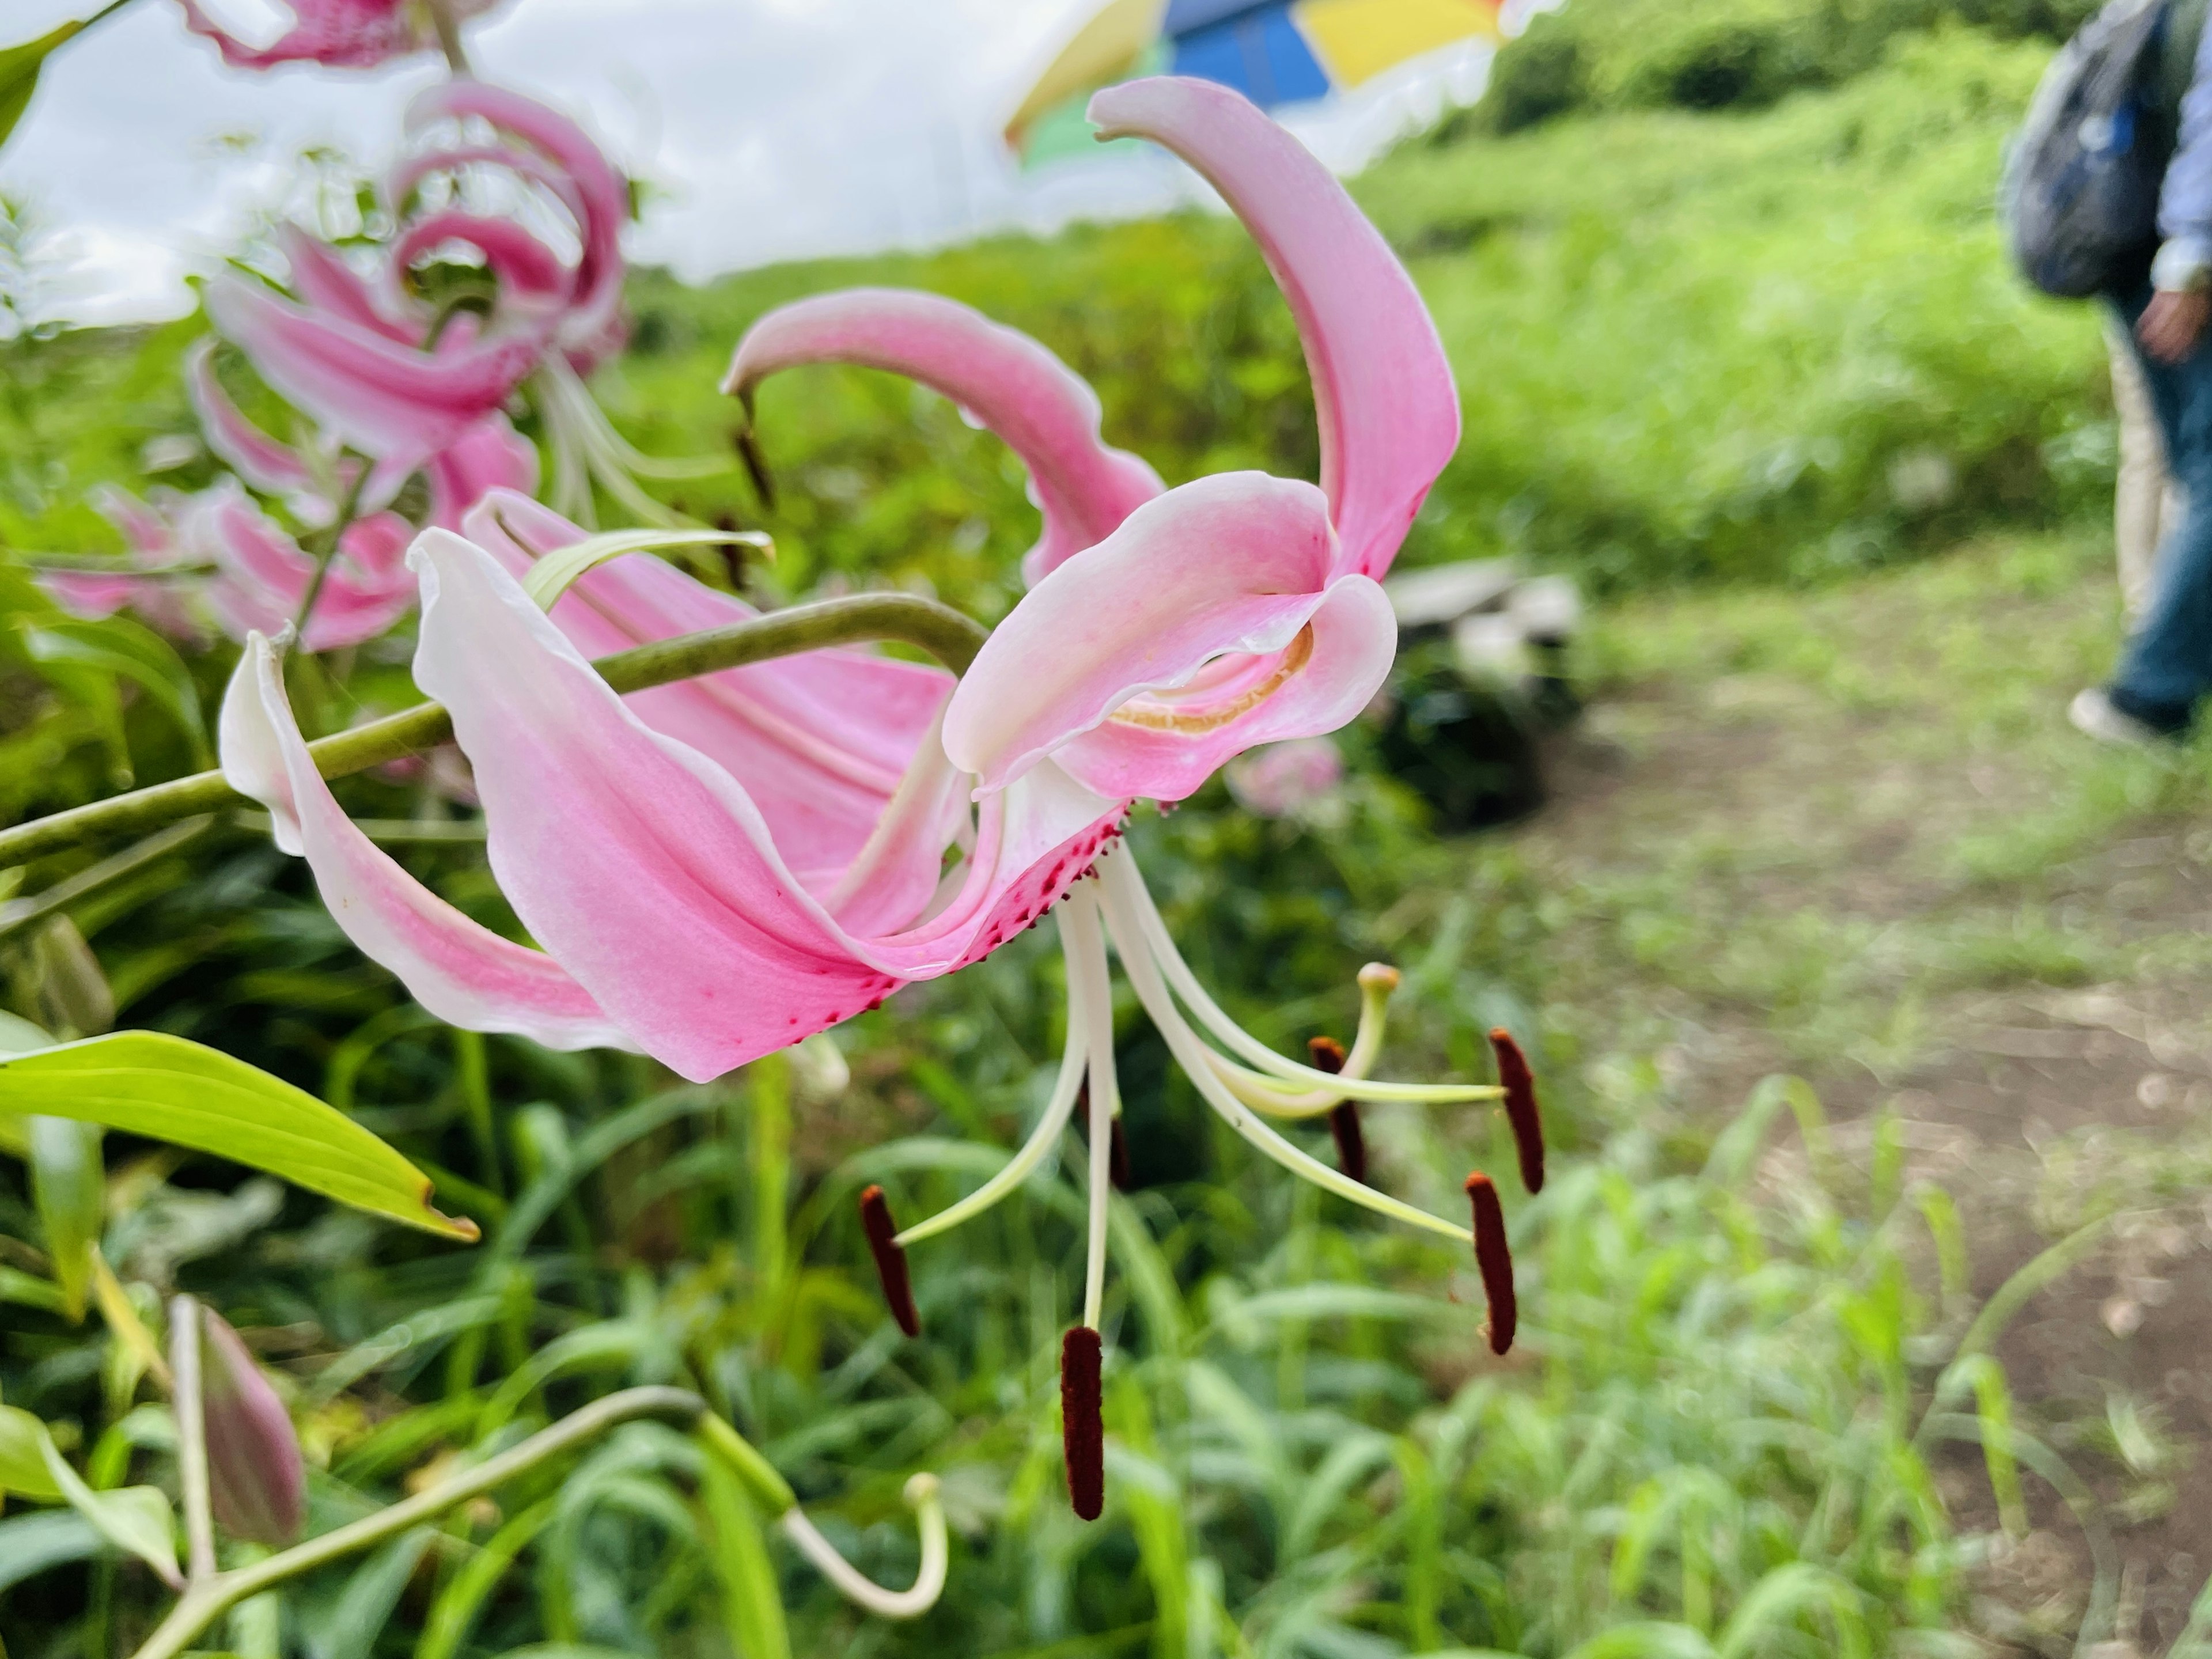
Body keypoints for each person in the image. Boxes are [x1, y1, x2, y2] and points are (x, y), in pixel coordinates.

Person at [2072, 0, 2212, 745]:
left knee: (2168, 458)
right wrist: (2190, 256)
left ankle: (2155, 625)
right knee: (2200, 466)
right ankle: (2154, 684)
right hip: (2180, 273)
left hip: (2130, 255)